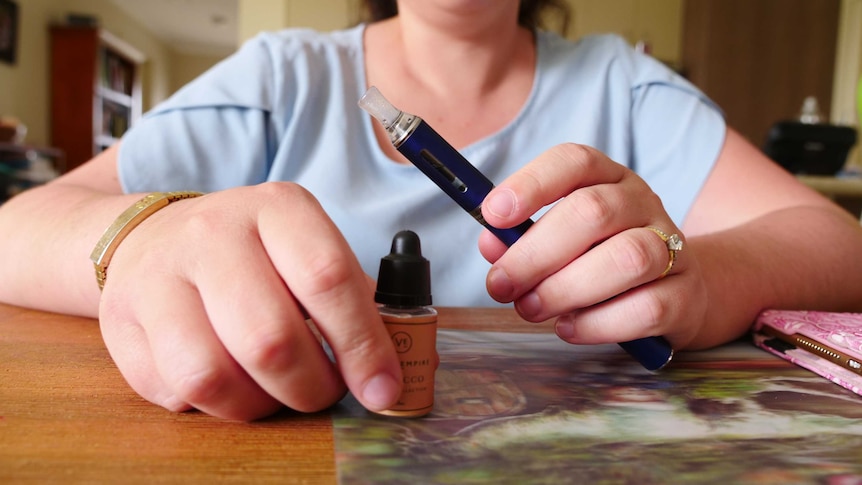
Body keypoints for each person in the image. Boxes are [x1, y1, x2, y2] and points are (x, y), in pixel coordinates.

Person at [1, 0, 861, 421]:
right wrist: (140, 234)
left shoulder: (621, 85)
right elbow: (17, 227)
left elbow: (838, 244)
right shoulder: (278, 80)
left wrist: (705, 277)